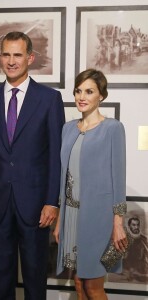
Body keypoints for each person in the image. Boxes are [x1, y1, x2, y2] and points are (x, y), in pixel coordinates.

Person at [0, 31, 65, 300]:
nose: (11, 61)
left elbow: (56, 156)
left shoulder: (49, 99)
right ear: (0, 56)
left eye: (18, 55)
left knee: (35, 279)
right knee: (0, 278)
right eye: (6, 54)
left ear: (30, 58)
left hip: (36, 206)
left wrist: (52, 201)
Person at [54, 69, 128, 300]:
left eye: (89, 91)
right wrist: (59, 222)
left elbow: (119, 177)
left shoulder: (112, 128)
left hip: (98, 218)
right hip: (71, 217)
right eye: (78, 91)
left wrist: (118, 223)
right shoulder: (68, 129)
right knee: (78, 282)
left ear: (101, 96)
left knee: (93, 286)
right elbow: (63, 177)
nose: (81, 97)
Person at [124, 216, 148, 282]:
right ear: (129, 226)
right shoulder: (123, 239)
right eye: (134, 225)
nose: (136, 227)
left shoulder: (144, 239)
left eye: (137, 225)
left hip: (142, 272)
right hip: (127, 273)